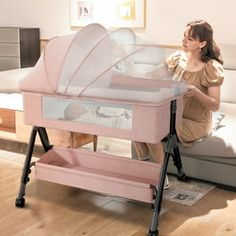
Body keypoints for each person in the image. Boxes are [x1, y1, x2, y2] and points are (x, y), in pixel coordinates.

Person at [133, 19, 224, 187]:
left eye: (189, 38)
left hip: (196, 122)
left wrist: (196, 92)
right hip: (173, 113)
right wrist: (134, 72)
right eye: (184, 36)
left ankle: (161, 177)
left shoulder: (211, 67)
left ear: (202, 43)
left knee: (152, 127)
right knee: (138, 122)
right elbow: (153, 75)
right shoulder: (176, 58)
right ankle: (144, 168)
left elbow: (215, 105)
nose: (183, 41)